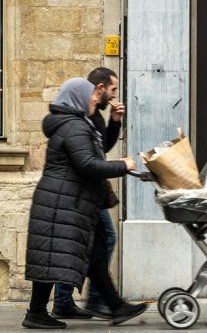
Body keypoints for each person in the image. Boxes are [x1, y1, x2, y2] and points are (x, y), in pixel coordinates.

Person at [22, 78, 147, 329]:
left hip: (69, 200)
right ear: (78, 97)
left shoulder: (75, 124)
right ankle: (36, 313)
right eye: (90, 95)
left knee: (88, 254)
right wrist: (123, 166)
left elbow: (92, 157)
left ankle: (114, 306)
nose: (94, 99)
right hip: (64, 202)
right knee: (53, 256)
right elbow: (88, 164)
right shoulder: (75, 127)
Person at [52, 68, 125, 320]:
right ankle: (96, 299)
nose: (114, 95)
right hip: (80, 193)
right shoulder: (81, 116)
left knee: (87, 245)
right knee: (93, 244)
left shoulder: (96, 117)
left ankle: (71, 300)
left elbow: (102, 147)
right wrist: (123, 166)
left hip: (89, 191)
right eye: (113, 89)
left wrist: (115, 122)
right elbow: (88, 160)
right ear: (100, 87)